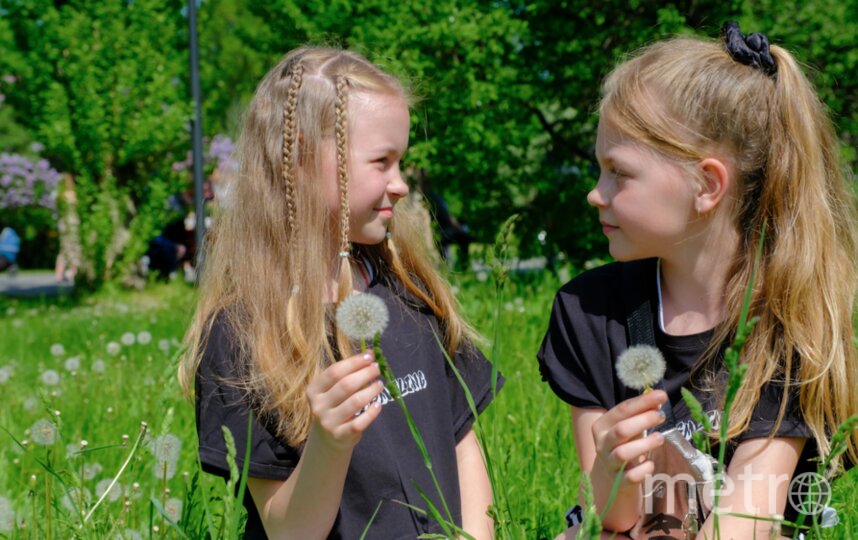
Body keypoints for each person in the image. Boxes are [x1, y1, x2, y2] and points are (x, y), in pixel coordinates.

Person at [537, 23, 857, 539]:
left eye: (618, 172)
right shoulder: (588, 310)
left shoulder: (785, 318)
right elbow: (613, 519)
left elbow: (745, 522)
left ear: (706, 185)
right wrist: (608, 468)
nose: (596, 194)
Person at [179, 47, 500, 540]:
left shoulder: (411, 294)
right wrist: (328, 444)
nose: (400, 185)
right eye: (382, 162)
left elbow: (462, 447)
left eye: (402, 162)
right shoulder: (243, 333)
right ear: (302, 159)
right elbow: (289, 531)